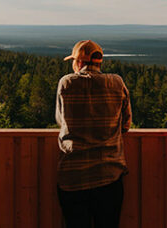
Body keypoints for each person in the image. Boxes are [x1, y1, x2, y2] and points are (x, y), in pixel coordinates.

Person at [55, 39, 132, 228]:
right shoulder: (116, 82)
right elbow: (126, 124)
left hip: (73, 177)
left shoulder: (67, 83)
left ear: (79, 63)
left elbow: (60, 120)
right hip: (109, 175)